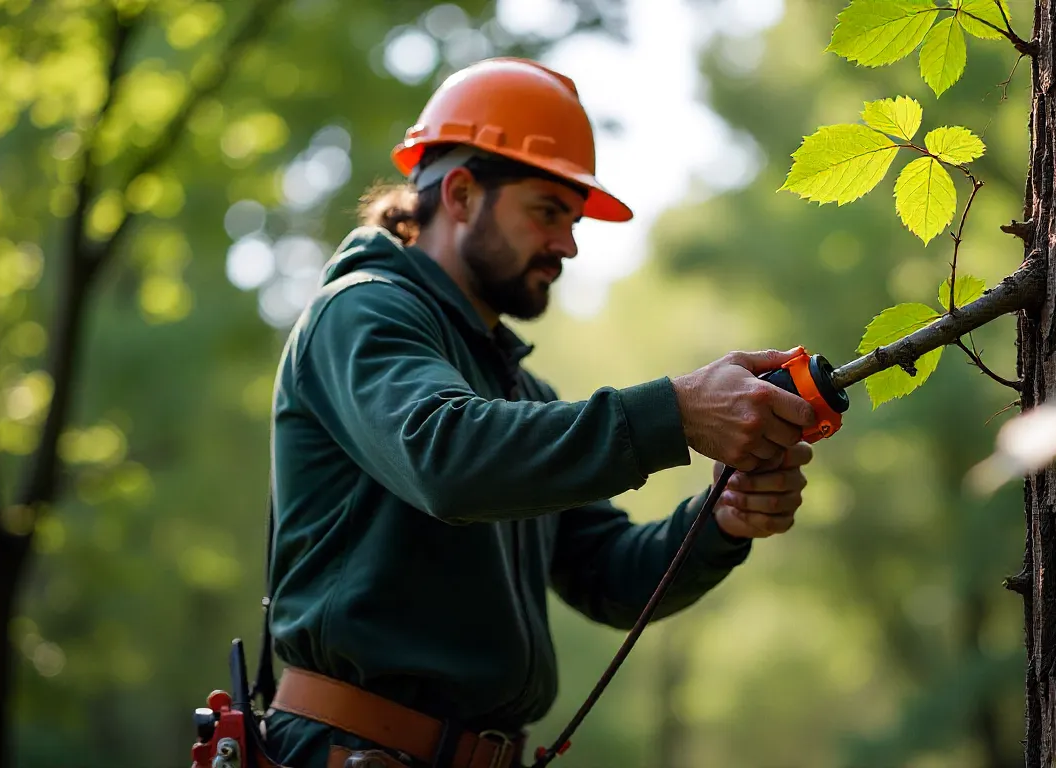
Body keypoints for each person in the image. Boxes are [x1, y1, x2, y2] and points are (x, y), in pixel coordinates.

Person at [260, 57, 817, 768]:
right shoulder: (361, 312)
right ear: (460, 194)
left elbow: (608, 574)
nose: (568, 243)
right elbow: (447, 458)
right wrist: (674, 412)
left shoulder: (519, 395)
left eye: (574, 218)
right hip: (350, 753)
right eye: (547, 211)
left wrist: (721, 519)